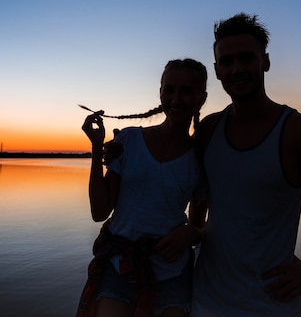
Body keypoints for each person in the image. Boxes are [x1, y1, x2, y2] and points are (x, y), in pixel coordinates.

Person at [187, 13, 301, 316]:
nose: (237, 69)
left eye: (247, 58)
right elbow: (198, 195)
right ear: (217, 70)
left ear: (265, 62)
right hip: (206, 301)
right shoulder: (208, 130)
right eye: (227, 62)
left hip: (273, 304)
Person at [76, 58, 208, 317]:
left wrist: (188, 234)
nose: (176, 98)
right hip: (119, 267)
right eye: (169, 89)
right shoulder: (129, 140)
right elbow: (100, 211)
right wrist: (96, 147)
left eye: (187, 91)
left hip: (173, 274)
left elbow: (198, 226)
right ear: (160, 93)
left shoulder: (201, 158)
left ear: (201, 98)